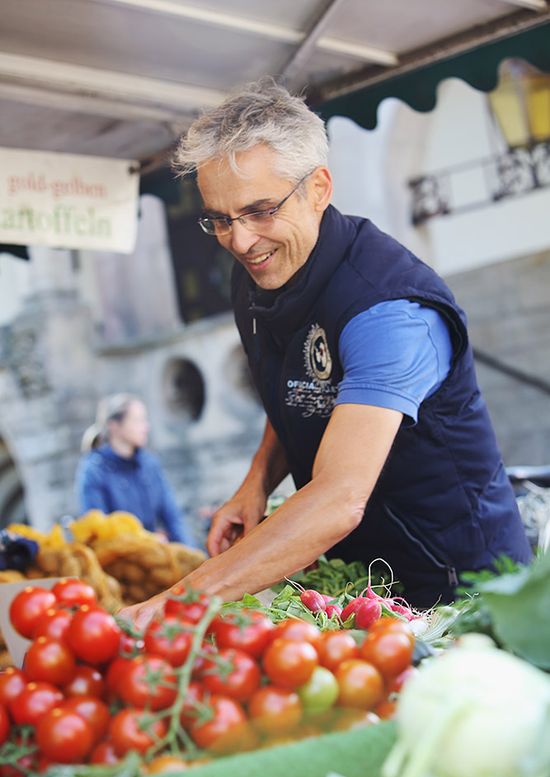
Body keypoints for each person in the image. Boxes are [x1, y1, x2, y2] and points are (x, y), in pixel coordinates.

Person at [119, 79, 530, 627]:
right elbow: (300, 385)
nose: (240, 242)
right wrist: (256, 481)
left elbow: (338, 497)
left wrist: (179, 603)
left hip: (464, 586)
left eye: (260, 210)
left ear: (318, 188)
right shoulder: (260, 273)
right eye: (219, 218)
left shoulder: (390, 310)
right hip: (362, 584)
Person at [76, 393, 195, 545]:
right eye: (138, 421)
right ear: (115, 426)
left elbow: (173, 517)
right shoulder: (94, 470)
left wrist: (194, 557)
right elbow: (99, 532)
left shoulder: (150, 464)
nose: (146, 427)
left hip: (156, 552)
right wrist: (148, 541)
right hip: (122, 559)